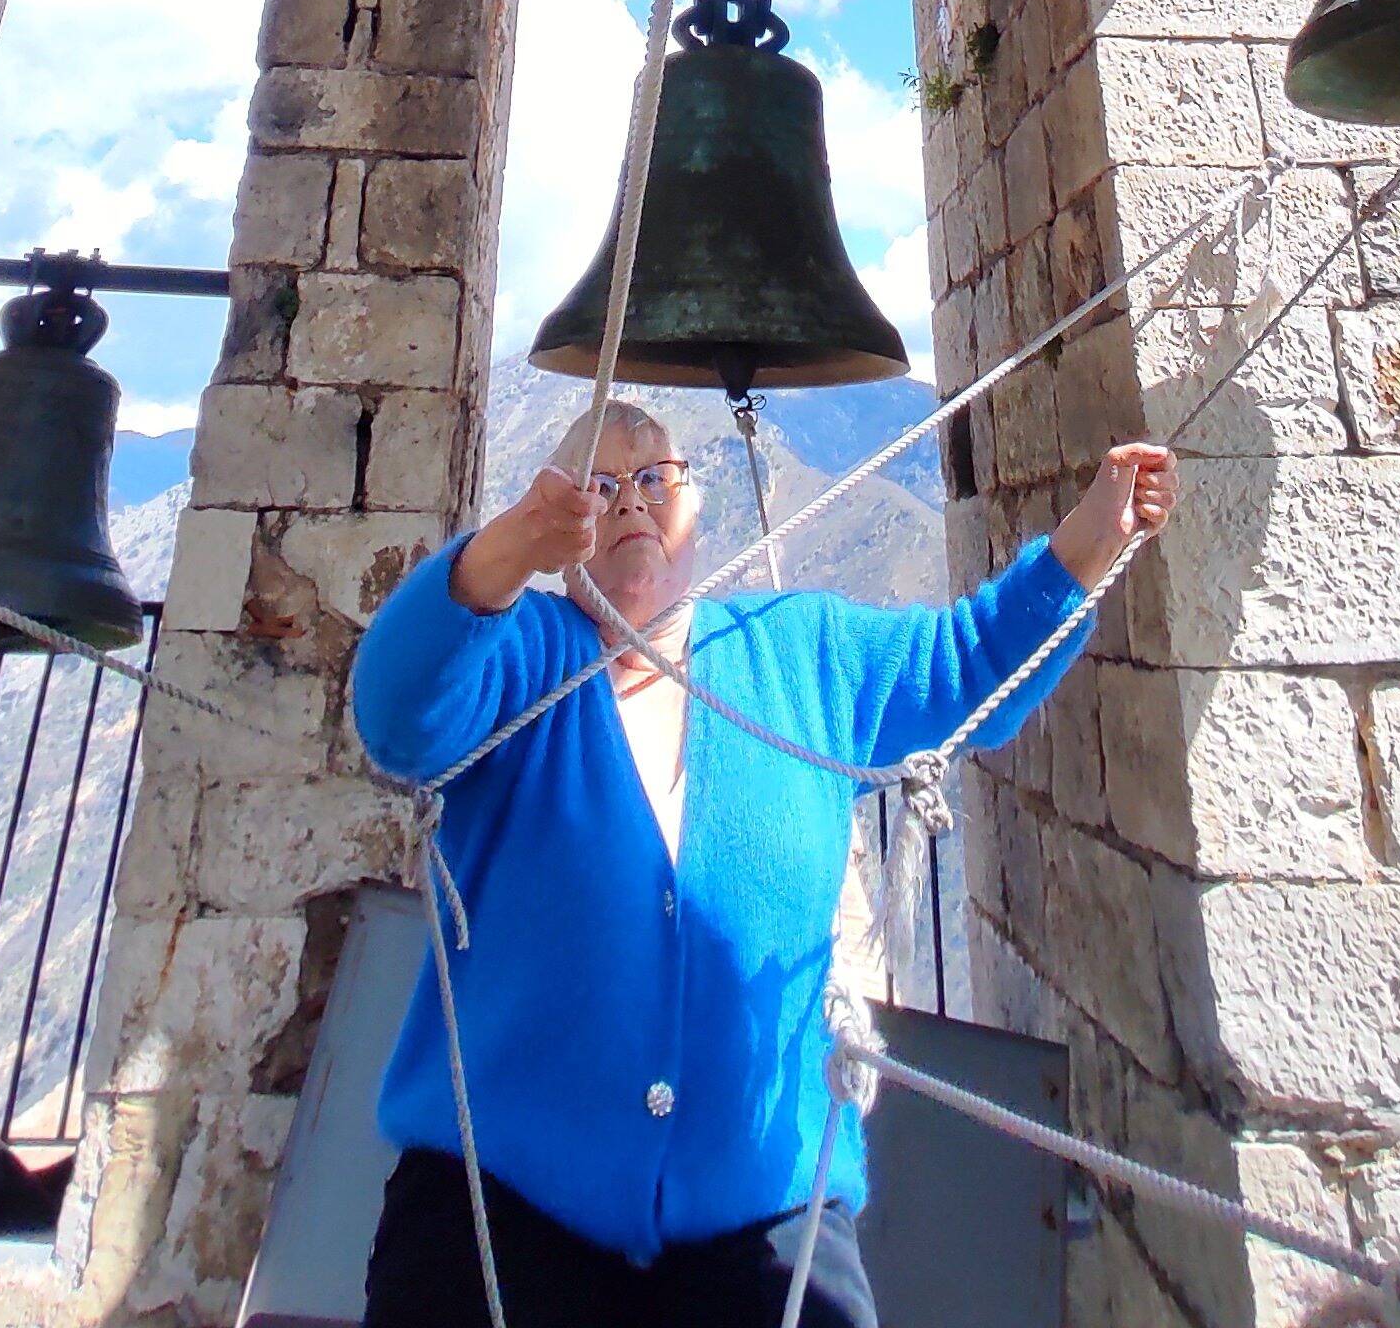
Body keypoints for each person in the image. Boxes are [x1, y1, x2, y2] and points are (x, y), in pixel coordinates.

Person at [351, 396, 1176, 1327]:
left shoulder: (802, 651)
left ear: (697, 504)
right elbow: (397, 712)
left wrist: (1094, 536)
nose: (631, 503)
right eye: (598, 486)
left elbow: (965, 661)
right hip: (497, 1210)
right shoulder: (514, 658)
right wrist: (505, 551)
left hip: (763, 1221)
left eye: (656, 478)